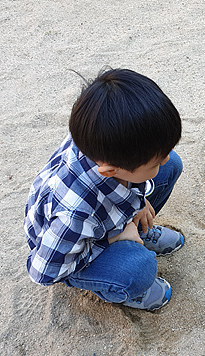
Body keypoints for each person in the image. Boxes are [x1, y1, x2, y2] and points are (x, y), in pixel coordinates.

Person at [25, 68, 184, 311]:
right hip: (68, 248)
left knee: (171, 165)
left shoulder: (100, 140)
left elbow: (145, 166)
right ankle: (122, 280)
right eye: (154, 162)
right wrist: (113, 238)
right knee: (139, 270)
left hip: (102, 206)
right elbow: (42, 271)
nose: (162, 160)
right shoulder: (73, 217)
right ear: (110, 170)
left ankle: (136, 229)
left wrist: (138, 201)